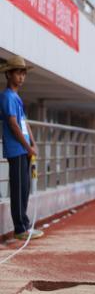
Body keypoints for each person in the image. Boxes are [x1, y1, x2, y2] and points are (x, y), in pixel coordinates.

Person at [0, 56, 44, 240]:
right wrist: (27, 146)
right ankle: (20, 229)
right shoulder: (7, 96)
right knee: (18, 190)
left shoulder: (16, 97)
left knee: (24, 188)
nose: (22, 77)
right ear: (8, 74)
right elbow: (13, 124)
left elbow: (24, 123)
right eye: (18, 72)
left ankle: (24, 225)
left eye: (23, 73)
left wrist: (33, 144)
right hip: (16, 149)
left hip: (24, 150)